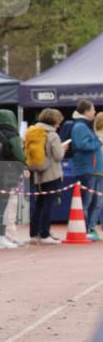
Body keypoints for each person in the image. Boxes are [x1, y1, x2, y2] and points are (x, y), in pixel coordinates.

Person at [0, 109, 25, 248]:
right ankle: (0, 237)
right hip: (7, 174)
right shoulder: (13, 135)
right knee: (2, 206)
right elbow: (19, 155)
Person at [29, 108, 65, 245]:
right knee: (48, 205)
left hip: (38, 174)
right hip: (52, 174)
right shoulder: (53, 135)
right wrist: (62, 147)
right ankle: (45, 234)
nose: (59, 125)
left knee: (39, 204)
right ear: (53, 121)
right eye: (58, 122)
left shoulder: (34, 132)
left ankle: (34, 234)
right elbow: (58, 155)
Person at [69, 98, 103, 241]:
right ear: (87, 111)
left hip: (95, 169)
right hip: (87, 170)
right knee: (87, 201)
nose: (95, 111)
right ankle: (85, 229)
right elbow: (82, 145)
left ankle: (91, 228)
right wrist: (98, 141)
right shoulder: (80, 127)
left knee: (97, 202)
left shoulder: (84, 126)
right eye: (93, 109)